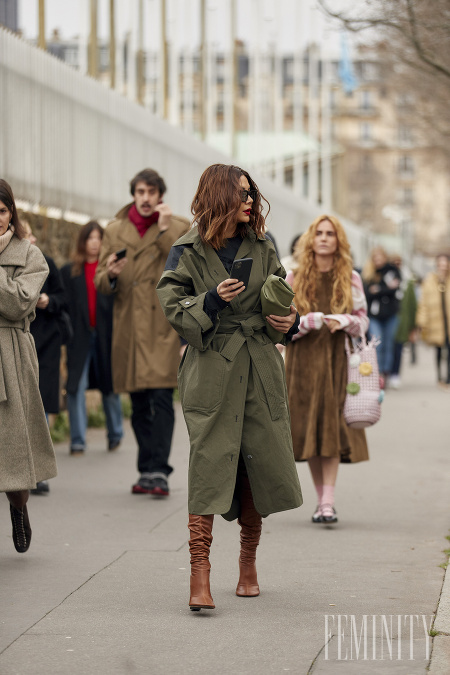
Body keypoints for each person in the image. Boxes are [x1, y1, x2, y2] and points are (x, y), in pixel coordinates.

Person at [157, 163, 303, 611]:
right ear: (218, 197)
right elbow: (172, 306)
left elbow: (282, 298)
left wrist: (289, 323)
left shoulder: (264, 246)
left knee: (253, 465)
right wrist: (210, 299)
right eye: (240, 193)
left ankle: (247, 564)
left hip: (260, 365)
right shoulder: (186, 250)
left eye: (251, 193)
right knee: (208, 464)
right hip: (212, 370)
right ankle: (198, 575)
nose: (249, 201)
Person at [95, 168, 190, 496]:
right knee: (137, 403)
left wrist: (164, 232)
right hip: (130, 328)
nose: (145, 198)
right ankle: (146, 468)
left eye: (151, 192)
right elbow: (100, 283)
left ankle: (159, 471)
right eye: (140, 192)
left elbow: (187, 270)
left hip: (162, 325)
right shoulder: (115, 229)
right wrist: (109, 274)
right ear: (133, 194)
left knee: (162, 398)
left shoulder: (178, 227)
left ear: (160, 195)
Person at [285, 215, 369, 524]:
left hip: (337, 361)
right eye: (318, 233)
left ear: (338, 241)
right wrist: (306, 323)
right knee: (311, 428)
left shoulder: (351, 277)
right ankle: (322, 501)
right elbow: (283, 326)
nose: (323, 238)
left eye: (330, 234)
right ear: (310, 239)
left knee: (331, 427)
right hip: (302, 362)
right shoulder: (294, 277)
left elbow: (363, 321)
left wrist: (344, 321)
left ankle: (328, 502)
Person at [0, 179, 57, 552]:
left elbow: (18, 304)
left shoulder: (30, 256)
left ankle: (18, 509)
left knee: (13, 453)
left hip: (11, 353)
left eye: (1, 211)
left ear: (10, 214)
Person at [61, 221, 123, 455]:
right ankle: (77, 440)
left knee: (110, 385)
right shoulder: (70, 271)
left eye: (99, 238)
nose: (95, 243)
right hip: (80, 337)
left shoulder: (109, 270)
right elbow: (64, 306)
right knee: (77, 387)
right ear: (83, 242)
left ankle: (115, 434)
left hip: (106, 336)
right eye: (90, 238)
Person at [22, 221, 66, 493]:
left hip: (46, 341)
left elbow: (64, 298)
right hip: (16, 340)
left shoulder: (45, 262)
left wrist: (48, 300)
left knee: (41, 402)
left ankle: (39, 471)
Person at [362, 247, 402, 383]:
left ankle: (386, 372)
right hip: (374, 317)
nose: (378, 261)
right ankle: (376, 373)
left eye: (380, 258)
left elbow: (395, 288)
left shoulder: (392, 270)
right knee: (377, 344)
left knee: (389, 344)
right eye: (375, 258)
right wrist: (385, 288)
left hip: (391, 314)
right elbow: (367, 293)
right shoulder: (368, 273)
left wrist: (378, 289)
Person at [416, 254, 450, 387]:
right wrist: (421, 321)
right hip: (436, 320)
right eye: (440, 264)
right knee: (439, 349)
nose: (443, 267)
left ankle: (448, 378)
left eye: (445, 264)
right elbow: (423, 302)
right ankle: (439, 377)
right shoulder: (429, 280)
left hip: (448, 320)